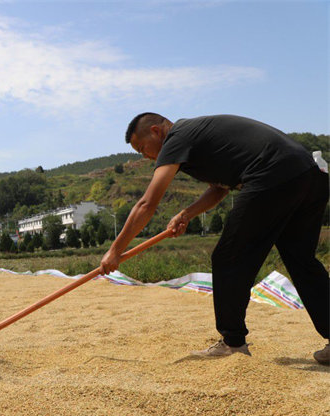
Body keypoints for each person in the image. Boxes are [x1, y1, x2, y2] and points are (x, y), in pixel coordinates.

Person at [102, 113, 329, 365]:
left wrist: (115, 250)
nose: (144, 157)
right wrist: (186, 214)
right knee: (301, 260)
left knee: (229, 257)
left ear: (156, 131)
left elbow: (147, 204)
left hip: (272, 173)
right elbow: (218, 189)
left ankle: (232, 343)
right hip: (310, 174)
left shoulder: (177, 137)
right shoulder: (198, 139)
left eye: (142, 148)